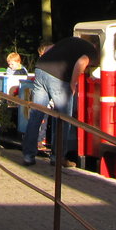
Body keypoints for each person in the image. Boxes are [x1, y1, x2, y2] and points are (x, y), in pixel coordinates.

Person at [21, 36, 98, 167]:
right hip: (58, 77)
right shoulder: (93, 52)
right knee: (63, 118)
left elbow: (49, 49)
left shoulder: (72, 41)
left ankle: (28, 156)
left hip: (41, 68)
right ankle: (58, 157)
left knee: (36, 114)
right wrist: (73, 83)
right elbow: (81, 62)